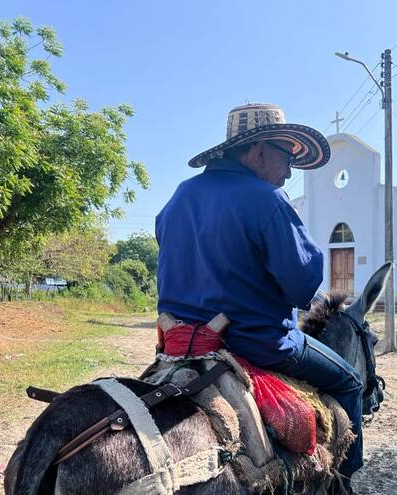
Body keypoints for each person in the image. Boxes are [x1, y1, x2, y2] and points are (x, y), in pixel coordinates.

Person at [155, 103, 364, 487]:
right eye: (286, 158)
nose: (289, 172)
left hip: (178, 345)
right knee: (351, 382)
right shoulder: (266, 199)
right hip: (256, 342)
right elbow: (303, 286)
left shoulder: (179, 196)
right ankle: (345, 480)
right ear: (259, 151)